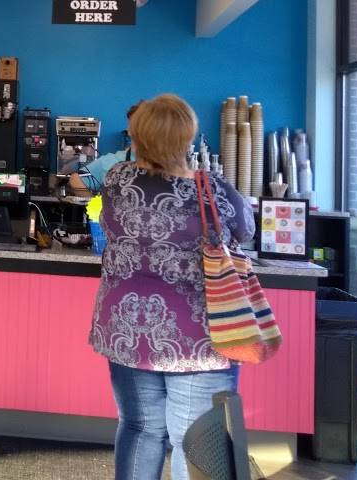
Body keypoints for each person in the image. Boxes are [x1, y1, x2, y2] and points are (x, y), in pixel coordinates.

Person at [89, 94, 254, 480]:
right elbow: (246, 228)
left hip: (128, 328)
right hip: (197, 336)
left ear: (136, 137)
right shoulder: (211, 190)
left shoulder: (117, 181)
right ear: (187, 138)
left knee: (140, 428)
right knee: (194, 440)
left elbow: (105, 217)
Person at [67, 101, 143, 195]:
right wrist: (94, 203)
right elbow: (75, 179)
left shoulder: (160, 163)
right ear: (129, 130)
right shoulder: (111, 161)